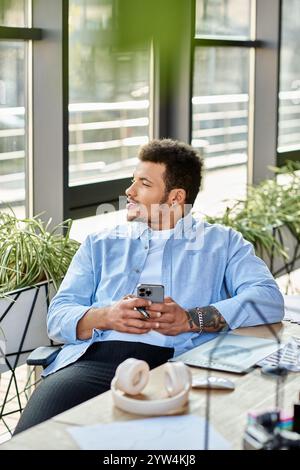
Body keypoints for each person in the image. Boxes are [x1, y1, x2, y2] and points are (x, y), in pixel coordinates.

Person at [14, 139, 284, 434]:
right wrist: (107, 316)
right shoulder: (100, 244)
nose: (129, 192)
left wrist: (192, 319)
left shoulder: (223, 242)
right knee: (33, 437)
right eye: (133, 181)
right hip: (95, 361)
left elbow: (268, 299)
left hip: (182, 364)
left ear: (175, 197)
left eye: (143, 183)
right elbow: (58, 317)